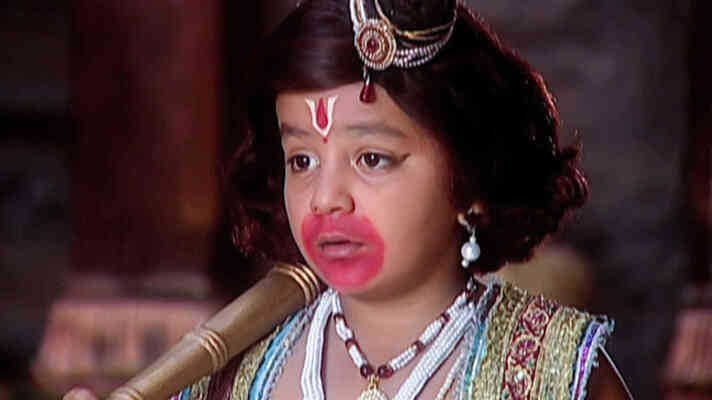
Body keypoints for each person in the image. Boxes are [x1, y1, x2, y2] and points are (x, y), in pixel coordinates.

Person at [67, 0, 632, 398]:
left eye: (372, 159)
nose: (325, 198)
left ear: (472, 176)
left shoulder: (560, 375)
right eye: (301, 161)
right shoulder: (230, 376)